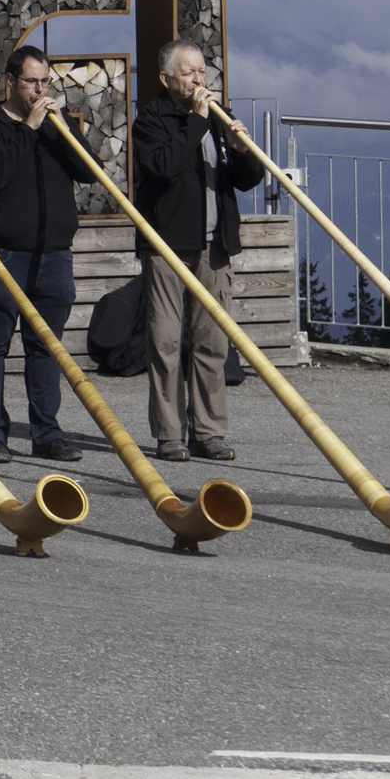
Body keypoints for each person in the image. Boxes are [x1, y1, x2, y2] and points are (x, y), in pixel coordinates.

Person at [133, 38, 266, 462]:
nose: (198, 80)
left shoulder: (216, 115)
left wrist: (242, 151)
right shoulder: (150, 120)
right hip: (167, 244)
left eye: (202, 71)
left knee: (212, 343)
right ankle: (170, 433)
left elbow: (246, 180)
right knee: (166, 341)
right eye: (188, 72)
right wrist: (197, 122)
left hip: (215, 244)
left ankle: (208, 432)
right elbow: (163, 167)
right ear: (166, 78)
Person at [0, 46, 90, 466]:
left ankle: (46, 434)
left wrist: (63, 129)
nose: (40, 90)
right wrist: (29, 128)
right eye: (32, 82)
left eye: (45, 82)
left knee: (47, 348)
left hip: (54, 256)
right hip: (1, 255)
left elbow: (89, 171)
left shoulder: (57, 125)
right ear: (10, 83)